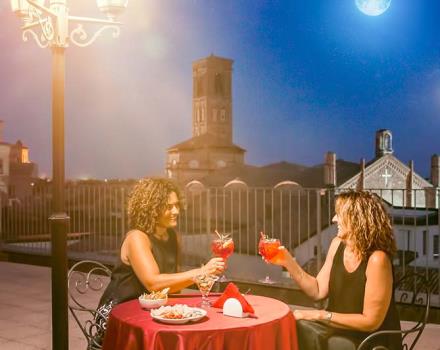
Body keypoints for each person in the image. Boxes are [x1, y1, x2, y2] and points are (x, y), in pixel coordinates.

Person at [266, 190, 401, 350]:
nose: (333, 219)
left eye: (339, 214)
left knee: (305, 330)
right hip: (337, 328)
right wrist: (288, 262)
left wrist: (321, 315)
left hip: (370, 340)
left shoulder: (377, 259)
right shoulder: (337, 244)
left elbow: (371, 322)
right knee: (296, 326)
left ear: (357, 219)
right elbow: (317, 291)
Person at [97, 178, 224, 333]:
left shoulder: (173, 236)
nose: (176, 211)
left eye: (177, 205)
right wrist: (201, 272)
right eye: (168, 207)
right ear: (152, 209)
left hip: (151, 312)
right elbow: (154, 284)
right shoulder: (137, 237)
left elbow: (172, 287)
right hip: (119, 314)